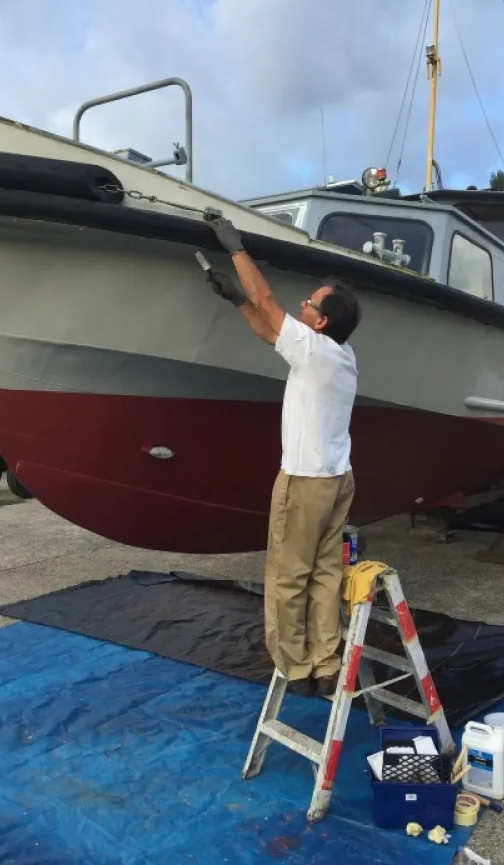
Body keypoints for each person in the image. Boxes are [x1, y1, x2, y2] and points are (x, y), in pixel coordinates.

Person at [205, 216, 361, 697]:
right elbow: (267, 329)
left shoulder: (314, 351)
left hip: (306, 481)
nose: (302, 305)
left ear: (321, 321)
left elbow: (269, 305)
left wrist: (235, 247)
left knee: (287, 575)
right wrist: (235, 298)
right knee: (324, 571)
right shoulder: (338, 355)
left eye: (310, 304)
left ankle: (294, 668)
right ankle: (326, 661)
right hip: (338, 479)